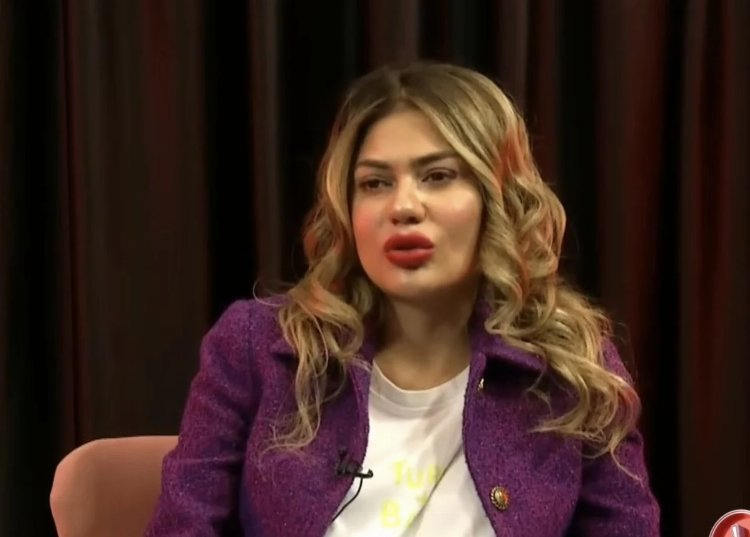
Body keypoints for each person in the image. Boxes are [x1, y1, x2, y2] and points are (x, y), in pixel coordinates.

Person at [145, 62, 660, 536]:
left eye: (438, 176)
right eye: (375, 183)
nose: (403, 206)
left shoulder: (572, 365)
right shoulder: (257, 347)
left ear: (496, 198)